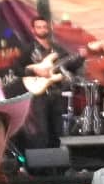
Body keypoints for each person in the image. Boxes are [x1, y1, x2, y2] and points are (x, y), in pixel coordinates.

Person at [20, 16, 90, 148]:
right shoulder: (28, 49)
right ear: (33, 29)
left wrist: (80, 57)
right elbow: (18, 70)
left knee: (58, 130)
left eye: (44, 27)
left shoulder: (57, 49)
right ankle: (43, 165)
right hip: (39, 95)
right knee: (42, 131)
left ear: (49, 28)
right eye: (39, 27)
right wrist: (35, 70)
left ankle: (58, 164)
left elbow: (70, 66)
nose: (42, 30)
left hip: (57, 93)